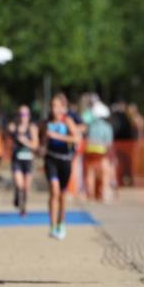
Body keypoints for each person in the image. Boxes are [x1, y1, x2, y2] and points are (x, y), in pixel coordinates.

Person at [43, 93, 82, 239]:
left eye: (58, 106)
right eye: (53, 106)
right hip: (51, 159)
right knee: (54, 190)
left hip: (65, 160)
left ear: (63, 107)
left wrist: (58, 136)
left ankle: (61, 223)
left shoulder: (67, 121)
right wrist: (41, 146)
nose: (55, 109)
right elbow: (41, 140)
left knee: (62, 195)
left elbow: (77, 138)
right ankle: (52, 225)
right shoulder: (47, 122)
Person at [8, 104, 39, 216]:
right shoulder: (14, 127)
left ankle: (23, 207)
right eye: (21, 114)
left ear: (29, 116)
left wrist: (25, 141)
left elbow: (35, 145)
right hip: (17, 160)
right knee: (20, 184)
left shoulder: (32, 128)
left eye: (25, 114)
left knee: (26, 187)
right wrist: (11, 132)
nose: (23, 117)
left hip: (28, 160)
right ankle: (17, 194)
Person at [84, 101, 114, 201]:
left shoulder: (91, 126)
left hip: (90, 150)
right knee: (105, 172)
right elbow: (108, 144)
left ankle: (90, 194)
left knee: (90, 172)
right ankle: (104, 192)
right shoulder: (107, 127)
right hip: (101, 152)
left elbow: (87, 139)